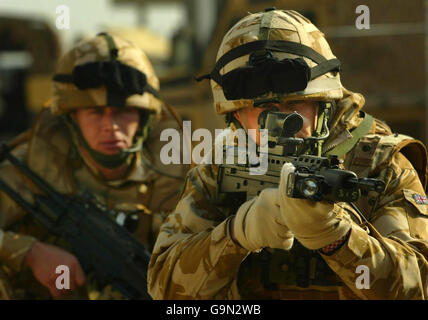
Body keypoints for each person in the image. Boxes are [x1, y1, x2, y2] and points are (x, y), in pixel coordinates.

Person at [148, 9, 428, 299]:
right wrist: (237, 235)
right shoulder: (221, 170)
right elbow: (164, 289)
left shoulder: (380, 164)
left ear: (324, 104)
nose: (282, 122)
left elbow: (418, 287)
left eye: (296, 104)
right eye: (263, 109)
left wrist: (338, 238)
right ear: (237, 117)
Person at [0, 33, 188, 299]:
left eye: (123, 111)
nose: (111, 126)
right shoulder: (32, 167)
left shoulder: (176, 178)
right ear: (72, 117)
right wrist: (29, 252)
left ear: (144, 118)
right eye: (96, 113)